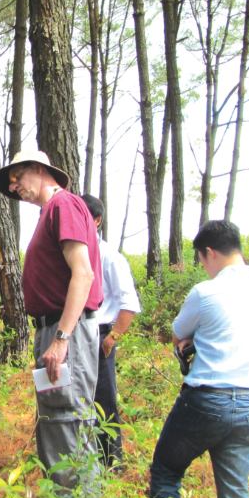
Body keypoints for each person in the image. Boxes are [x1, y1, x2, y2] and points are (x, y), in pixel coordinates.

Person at [148, 220, 249, 498]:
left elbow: (178, 334)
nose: (205, 268)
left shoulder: (205, 292)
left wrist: (193, 340)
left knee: (166, 471)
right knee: (235, 494)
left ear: (209, 252)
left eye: (202, 260)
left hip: (205, 401)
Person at [0, 151, 103, 498]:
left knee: (68, 425)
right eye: (10, 183)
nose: (14, 187)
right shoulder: (50, 212)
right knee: (57, 426)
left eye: (17, 177)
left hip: (64, 331)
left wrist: (61, 339)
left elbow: (83, 274)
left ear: (39, 170)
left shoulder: (63, 205)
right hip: (53, 330)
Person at [80, 194, 140, 467]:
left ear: (97, 221)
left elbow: (129, 303)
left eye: (83, 216)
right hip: (75, 333)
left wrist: (112, 337)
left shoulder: (110, 257)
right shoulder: (74, 253)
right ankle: (83, 456)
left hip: (101, 334)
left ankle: (111, 461)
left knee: (104, 399)